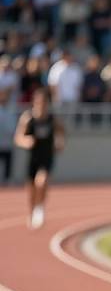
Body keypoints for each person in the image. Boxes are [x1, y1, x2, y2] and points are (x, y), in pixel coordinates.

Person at [14, 87, 65, 229]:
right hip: (33, 158)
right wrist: (26, 141)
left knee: (41, 183)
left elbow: (62, 131)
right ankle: (31, 213)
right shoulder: (28, 118)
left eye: (44, 102)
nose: (41, 105)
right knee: (31, 191)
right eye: (39, 101)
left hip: (47, 157)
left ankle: (40, 208)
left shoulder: (52, 119)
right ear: (34, 102)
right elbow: (18, 137)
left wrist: (60, 142)